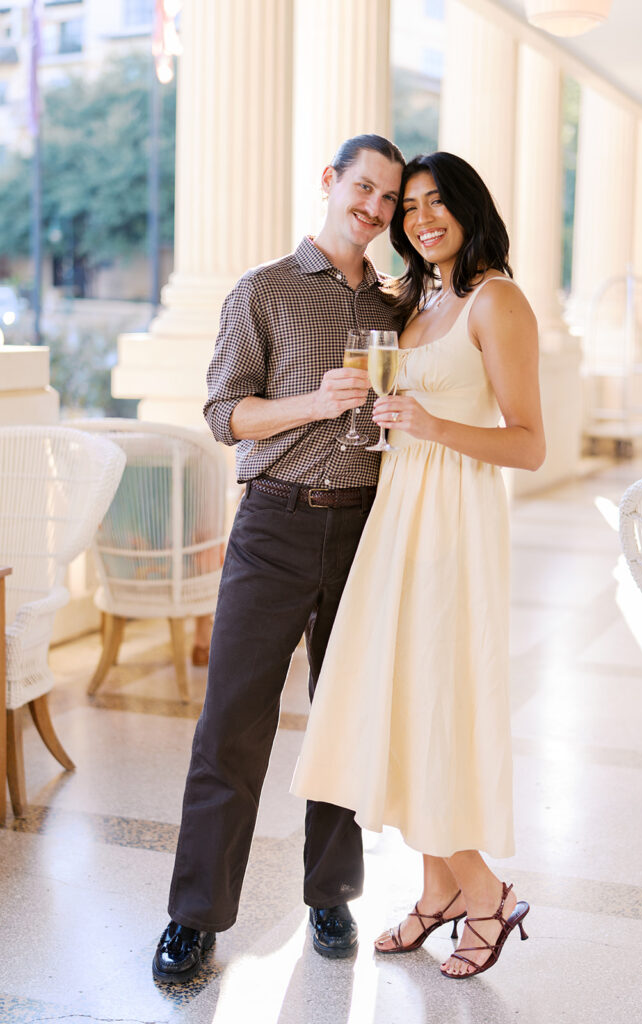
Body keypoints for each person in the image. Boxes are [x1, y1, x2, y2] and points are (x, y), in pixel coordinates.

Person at [152, 134, 405, 984]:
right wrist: (313, 401)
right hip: (273, 525)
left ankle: (330, 894)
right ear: (330, 182)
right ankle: (193, 918)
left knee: (343, 716)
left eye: (387, 201)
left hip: (365, 526)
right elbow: (224, 414)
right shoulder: (262, 291)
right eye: (362, 189)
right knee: (231, 722)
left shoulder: (398, 308)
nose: (372, 210)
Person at [291, 151, 545, 979]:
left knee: (431, 701)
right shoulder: (418, 301)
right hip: (397, 514)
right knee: (398, 704)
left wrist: (431, 425)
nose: (420, 217)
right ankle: (436, 891)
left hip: (452, 527)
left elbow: (529, 443)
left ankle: (484, 894)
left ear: (471, 210)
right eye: (410, 207)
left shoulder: (496, 300)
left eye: (438, 203)